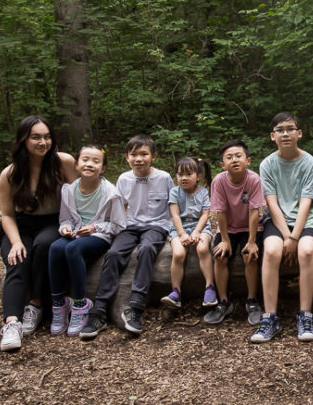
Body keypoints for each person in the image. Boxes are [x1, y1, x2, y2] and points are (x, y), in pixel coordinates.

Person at [79, 135, 173, 340]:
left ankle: (136, 305)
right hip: (129, 226)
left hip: (156, 225)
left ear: (153, 156)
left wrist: (173, 232)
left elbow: (172, 207)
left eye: (144, 154)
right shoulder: (123, 179)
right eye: (134, 155)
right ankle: (100, 309)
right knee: (113, 253)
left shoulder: (164, 177)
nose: (138, 159)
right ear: (127, 157)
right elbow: (119, 208)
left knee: (147, 249)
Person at [0, 116, 77, 351]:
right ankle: (12, 323)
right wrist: (16, 242)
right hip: (19, 225)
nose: (43, 142)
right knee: (18, 260)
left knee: (44, 246)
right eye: (36, 137)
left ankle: (36, 305)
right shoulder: (10, 174)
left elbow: (82, 194)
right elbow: (8, 215)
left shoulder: (63, 162)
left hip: (53, 221)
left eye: (47, 137)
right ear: (23, 140)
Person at [251, 112, 313, 343]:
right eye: (280, 130)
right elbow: (272, 204)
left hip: (306, 220)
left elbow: (306, 203)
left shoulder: (310, 163)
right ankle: (270, 317)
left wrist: (294, 239)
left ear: (299, 133)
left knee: (307, 251)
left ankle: (305, 315)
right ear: (273, 136)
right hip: (278, 220)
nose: (285, 134)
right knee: (271, 251)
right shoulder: (267, 164)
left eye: (290, 129)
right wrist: (287, 236)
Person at [48, 145, 126, 336]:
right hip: (75, 233)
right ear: (76, 164)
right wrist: (65, 228)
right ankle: (59, 304)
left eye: (95, 161)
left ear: (103, 168)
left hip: (99, 236)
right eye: (85, 160)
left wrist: (95, 227)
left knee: (73, 249)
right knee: (56, 248)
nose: (89, 164)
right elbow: (65, 218)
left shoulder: (110, 192)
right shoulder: (69, 190)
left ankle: (81, 304)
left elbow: (119, 224)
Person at [205, 142, 265, 326]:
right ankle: (223, 301)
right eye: (229, 157)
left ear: (247, 160)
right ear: (223, 164)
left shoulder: (254, 179)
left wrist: (253, 241)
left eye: (238, 156)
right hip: (228, 228)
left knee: (250, 256)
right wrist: (224, 240)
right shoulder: (219, 181)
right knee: (220, 256)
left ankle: (252, 300)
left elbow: (255, 211)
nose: (234, 160)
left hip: (250, 227)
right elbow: (220, 212)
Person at [160, 156, 215, 314]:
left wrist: (197, 231)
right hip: (179, 228)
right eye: (179, 174)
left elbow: (205, 215)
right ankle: (175, 292)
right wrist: (182, 234)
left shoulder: (203, 192)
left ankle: (209, 287)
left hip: (201, 226)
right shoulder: (174, 192)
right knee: (178, 253)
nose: (183, 178)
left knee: (203, 249)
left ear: (198, 176)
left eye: (188, 174)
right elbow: (175, 215)